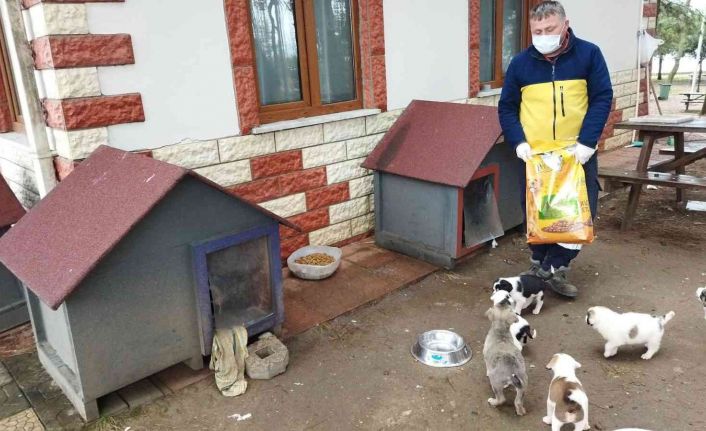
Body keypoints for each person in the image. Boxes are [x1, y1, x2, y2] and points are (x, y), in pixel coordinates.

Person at [498, 0, 613, 298]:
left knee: (576, 215)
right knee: (538, 214)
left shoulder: (589, 54)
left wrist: (587, 142)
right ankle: (540, 263)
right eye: (537, 31)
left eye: (550, 29)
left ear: (565, 25)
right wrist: (519, 142)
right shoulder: (520, 64)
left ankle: (552, 269)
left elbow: (602, 98)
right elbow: (507, 107)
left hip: (575, 155)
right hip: (536, 157)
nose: (543, 36)